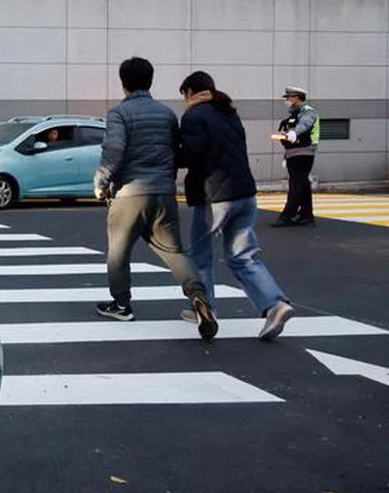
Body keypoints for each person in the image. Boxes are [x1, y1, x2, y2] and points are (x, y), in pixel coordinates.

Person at [93, 57, 217, 341]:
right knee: (175, 252)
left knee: (118, 254)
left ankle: (122, 305)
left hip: (130, 194)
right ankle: (200, 298)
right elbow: (176, 151)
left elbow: (114, 151)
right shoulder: (166, 114)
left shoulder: (119, 114)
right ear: (150, 80)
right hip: (163, 192)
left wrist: (101, 182)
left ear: (123, 82)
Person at [179, 72, 295, 341]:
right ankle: (275, 304)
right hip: (245, 193)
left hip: (214, 197)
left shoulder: (194, 116)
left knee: (200, 256)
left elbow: (192, 156)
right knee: (244, 256)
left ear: (191, 91)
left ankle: (206, 310)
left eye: (183, 94)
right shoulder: (228, 112)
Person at [273, 86, 319, 228]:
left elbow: (304, 125)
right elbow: (285, 134)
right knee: (303, 184)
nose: (287, 100)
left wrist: (294, 133)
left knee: (296, 185)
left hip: (304, 152)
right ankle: (306, 215)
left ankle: (287, 215)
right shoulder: (292, 116)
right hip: (293, 154)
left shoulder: (308, 112)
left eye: (289, 98)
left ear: (297, 97)